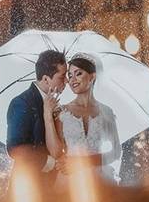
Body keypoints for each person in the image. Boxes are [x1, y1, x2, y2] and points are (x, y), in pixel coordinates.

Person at [43, 52, 122, 184]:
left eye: (78, 73)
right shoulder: (62, 112)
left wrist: (82, 162)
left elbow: (116, 152)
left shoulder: (106, 112)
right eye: (70, 75)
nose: (72, 80)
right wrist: (47, 116)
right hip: (69, 182)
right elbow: (55, 152)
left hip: (100, 180)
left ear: (92, 76)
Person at [6, 49, 67, 188]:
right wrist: (49, 162)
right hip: (27, 188)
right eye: (62, 77)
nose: (67, 81)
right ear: (46, 79)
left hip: (53, 187)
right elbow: (15, 148)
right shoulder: (21, 103)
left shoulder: (56, 104)